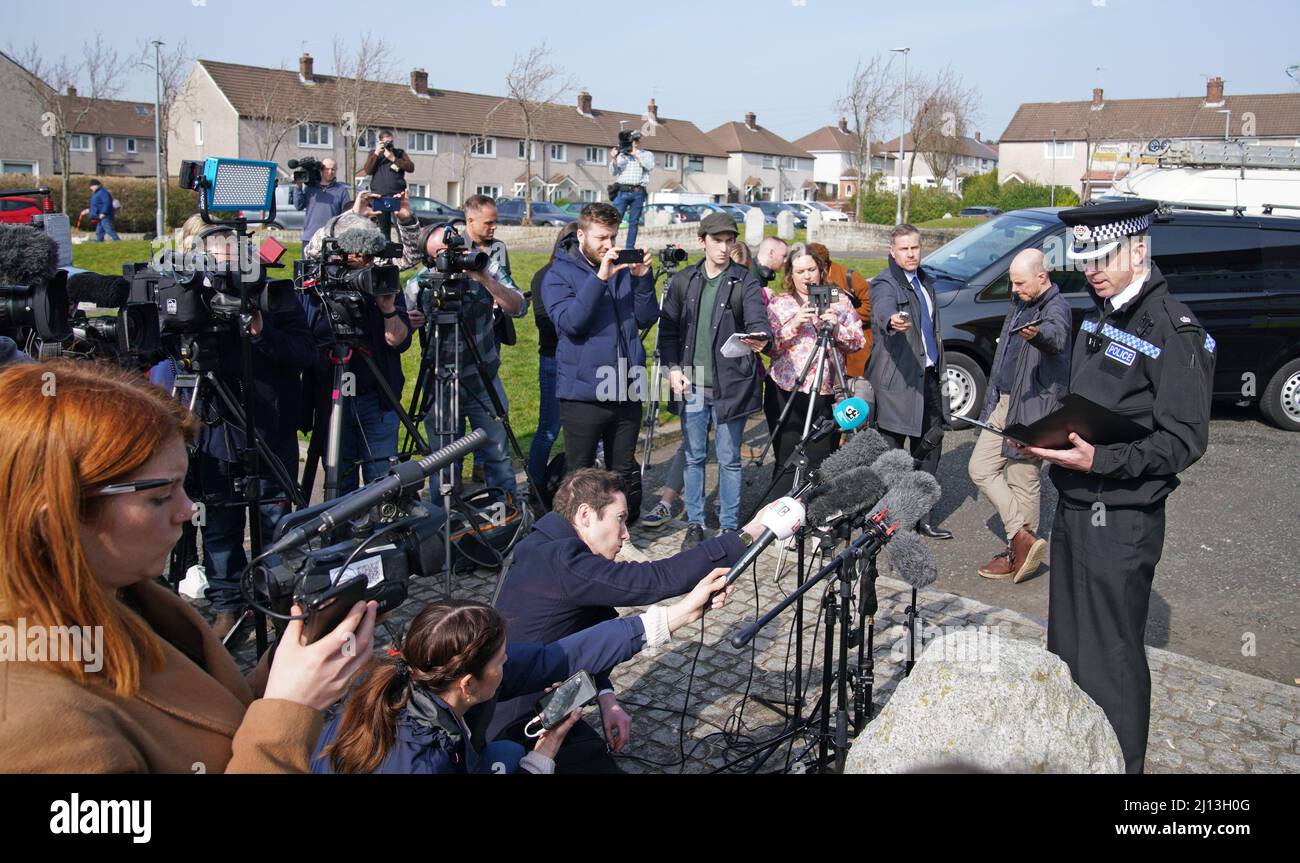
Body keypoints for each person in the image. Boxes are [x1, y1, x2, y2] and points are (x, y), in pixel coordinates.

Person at [0, 360, 378, 772]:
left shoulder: (124, 593)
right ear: (53, 517)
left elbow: (211, 721)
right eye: (159, 497)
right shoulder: (33, 724)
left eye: (184, 486)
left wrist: (297, 658)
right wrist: (291, 711)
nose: (187, 510)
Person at [1017, 200, 1214, 774]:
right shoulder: (1099, 314)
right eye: (1086, 260)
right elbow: (1091, 399)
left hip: (1123, 515)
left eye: (1103, 258)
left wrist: (1100, 457)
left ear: (1139, 251)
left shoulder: (1174, 330)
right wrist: (1048, 434)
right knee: (1070, 646)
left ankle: (1123, 769)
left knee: (1113, 655)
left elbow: (1183, 441)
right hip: (1075, 502)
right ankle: (1078, 756)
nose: (1093, 270)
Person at [492, 468, 774, 772]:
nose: (626, 534)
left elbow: (586, 633)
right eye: (620, 519)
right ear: (586, 515)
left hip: (545, 698)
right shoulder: (561, 560)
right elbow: (656, 579)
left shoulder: (546, 545)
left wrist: (605, 696)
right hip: (517, 726)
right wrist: (750, 533)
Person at [312, 571, 733, 774]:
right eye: (500, 661)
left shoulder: (407, 682)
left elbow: (562, 655)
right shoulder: (422, 763)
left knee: (507, 754)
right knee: (520, 759)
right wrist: (544, 756)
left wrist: (679, 612)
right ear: (467, 683)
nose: (509, 665)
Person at [154, 215, 317, 639]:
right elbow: (160, 352)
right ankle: (229, 606)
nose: (230, 251)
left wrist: (260, 329)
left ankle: (278, 603)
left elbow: (306, 351)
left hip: (269, 428)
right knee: (221, 526)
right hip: (213, 428)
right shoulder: (185, 296)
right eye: (218, 243)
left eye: (234, 242)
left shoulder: (271, 293)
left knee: (275, 519)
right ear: (193, 252)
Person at [659, 211, 770, 549]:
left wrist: (759, 335)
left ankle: (729, 528)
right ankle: (695, 523)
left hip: (730, 386)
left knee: (729, 459)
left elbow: (757, 318)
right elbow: (668, 331)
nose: (724, 248)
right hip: (692, 382)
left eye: (728, 241)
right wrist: (674, 368)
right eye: (717, 241)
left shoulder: (744, 280)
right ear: (702, 241)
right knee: (693, 456)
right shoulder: (684, 281)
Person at [542, 202, 655, 520]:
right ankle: (573, 539)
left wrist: (642, 278)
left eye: (613, 237)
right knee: (580, 475)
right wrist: (601, 277)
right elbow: (571, 323)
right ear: (581, 235)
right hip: (583, 393)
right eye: (601, 238)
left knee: (623, 472)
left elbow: (646, 317)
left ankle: (621, 532)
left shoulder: (622, 270)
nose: (609, 245)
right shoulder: (557, 274)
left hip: (627, 386)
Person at [302, 193, 421, 495]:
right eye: (357, 255)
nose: (366, 264)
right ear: (338, 254)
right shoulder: (319, 289)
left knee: (382, 487)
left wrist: (387, 309)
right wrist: (348, 215)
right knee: (340, 487)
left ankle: (381, 538)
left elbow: (399, 341)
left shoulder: (383, 282)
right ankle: (337, 538)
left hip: (378, 399)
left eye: (370, 256)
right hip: (332, 398)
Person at [968, 248, 1069, 583]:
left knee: (1023, 477)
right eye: (1012, 283)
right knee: (980, 468)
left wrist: (1037, 336)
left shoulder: (1057, 308)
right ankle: (1022, 538)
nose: (1015, 289)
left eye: (1020, 283)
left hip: (1033, 408)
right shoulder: (1021, 301)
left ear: (1042, 276)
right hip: (1005, 403)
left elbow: (1056, 337)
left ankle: (1021, 558)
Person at [405, 221, 527, 495]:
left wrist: (485, 279)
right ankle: (443, 522)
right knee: (444, 464)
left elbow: (519, 307)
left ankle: (506, 515)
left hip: (483, 379)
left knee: (498, 456)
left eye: (455, 249)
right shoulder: (420, 283)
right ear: (429, 258)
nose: (452, 259)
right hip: (440, 382)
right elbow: (396, 335)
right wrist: (407, 321)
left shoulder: (484, 268)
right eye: (442, 254)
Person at [866, 224, 953, 539]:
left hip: (929, 377)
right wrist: (892, 320)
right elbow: (882, 309)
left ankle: (922, 517)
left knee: (930, 448)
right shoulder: (884, 283)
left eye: (915, 247)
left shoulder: (926, 280)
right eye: (904, 249)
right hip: (896, 383)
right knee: (894, 457)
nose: (911, 253)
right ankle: (886, 521)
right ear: (893, 250)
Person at [764, 243, 865, 500]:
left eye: (811, 269)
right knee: (787, 458)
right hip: (787, 389)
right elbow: (770, 348)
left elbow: (858, 342)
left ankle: (814, 518)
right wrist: (795, 324)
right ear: (791, 274)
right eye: (800, 271)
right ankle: (779, 520)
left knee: (819, 460)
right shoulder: (781, 303)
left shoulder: (838, 300)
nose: (807, 276)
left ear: (820, 270)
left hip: (826, 389)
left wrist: (837, 327)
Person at [528, 222, 580, 493]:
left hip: (580, 361)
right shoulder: (544, 276)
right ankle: (535, 486)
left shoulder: (587, 276)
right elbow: (545, 323)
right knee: (548, 428)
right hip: (554, 359)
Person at [808, 242, 873, 387]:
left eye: (814, 267)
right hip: (822, 351)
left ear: (824, 264)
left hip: (854, 347)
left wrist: (849, 318)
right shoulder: (812, 281)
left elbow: (871, 304)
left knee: (850, 386)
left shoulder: (848, 276)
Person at [362, 130, 415, 239]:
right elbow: (367, 170)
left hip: (397, 196)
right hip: (380, 196)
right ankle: (386, 253)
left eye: (391, 142)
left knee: (401, 227)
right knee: (383, 229)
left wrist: (393, 159)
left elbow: (410, 167)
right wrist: (377, 153)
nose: (389, 145)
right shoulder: (374, 154)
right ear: (380, 142)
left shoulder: (399, 153)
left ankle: (403, 251)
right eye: (386, 142)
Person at [608, 131, 654, 248]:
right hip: (622, 191)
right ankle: (610, 245)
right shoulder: (623, 155)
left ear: (638, 142)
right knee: (614, 220)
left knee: (633, 222)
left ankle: (629, 249)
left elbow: (650, 166)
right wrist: (614, 158)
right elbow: (613, 172)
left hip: (638, 192)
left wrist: (636, 155)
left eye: (636, 141)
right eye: (632, 141)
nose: (634, 143)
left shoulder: (646, 154)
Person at [295, 157, 352, 247]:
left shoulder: (341, 190)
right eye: (327, 169)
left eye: (333, 169)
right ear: (321, 170)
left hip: (331, 238)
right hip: (310, 237)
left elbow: (347, 214)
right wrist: (298, 187)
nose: (330, 172)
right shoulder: (310, 188)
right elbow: (298, 206)